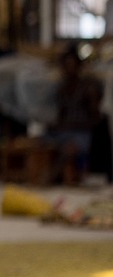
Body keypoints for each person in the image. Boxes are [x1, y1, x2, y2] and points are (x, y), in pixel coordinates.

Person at [47, 44, 103, 185]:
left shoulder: (88, 88)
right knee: (40, 143)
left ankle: (51, 177)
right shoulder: (62, 89)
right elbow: (61, 115)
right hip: (64, 132)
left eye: (71, 65)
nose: (68, 69)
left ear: (78, 66)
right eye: (65, 65)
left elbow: (96, 118)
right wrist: (57, 125)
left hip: (81, 134)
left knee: (70, 148)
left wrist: (74, 125)